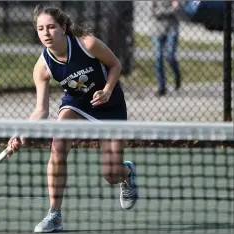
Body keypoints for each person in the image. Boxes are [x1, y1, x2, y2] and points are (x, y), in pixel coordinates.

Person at [8, 4, 139, 233]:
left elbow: (115, 64)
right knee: (57, 144)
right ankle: (54, 215)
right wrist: (22, 132)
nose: (46, 33)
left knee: (111, 174)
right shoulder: (42, 67)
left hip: (109, 105)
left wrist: (107, 90)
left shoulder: (86, 43)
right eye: (41, 28)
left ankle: (126, 173)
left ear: (63, 28)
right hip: (76, 104)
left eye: (51, 27)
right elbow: (41, 110)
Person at [151, 0, 181, 97]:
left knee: (170, 56)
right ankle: (162, 87)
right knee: (158, 57)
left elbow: (177, 9)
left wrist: (161, 11)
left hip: (172, 29)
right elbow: (152, 11)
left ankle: (177, 77)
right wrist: (170, 9)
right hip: (158, 30)